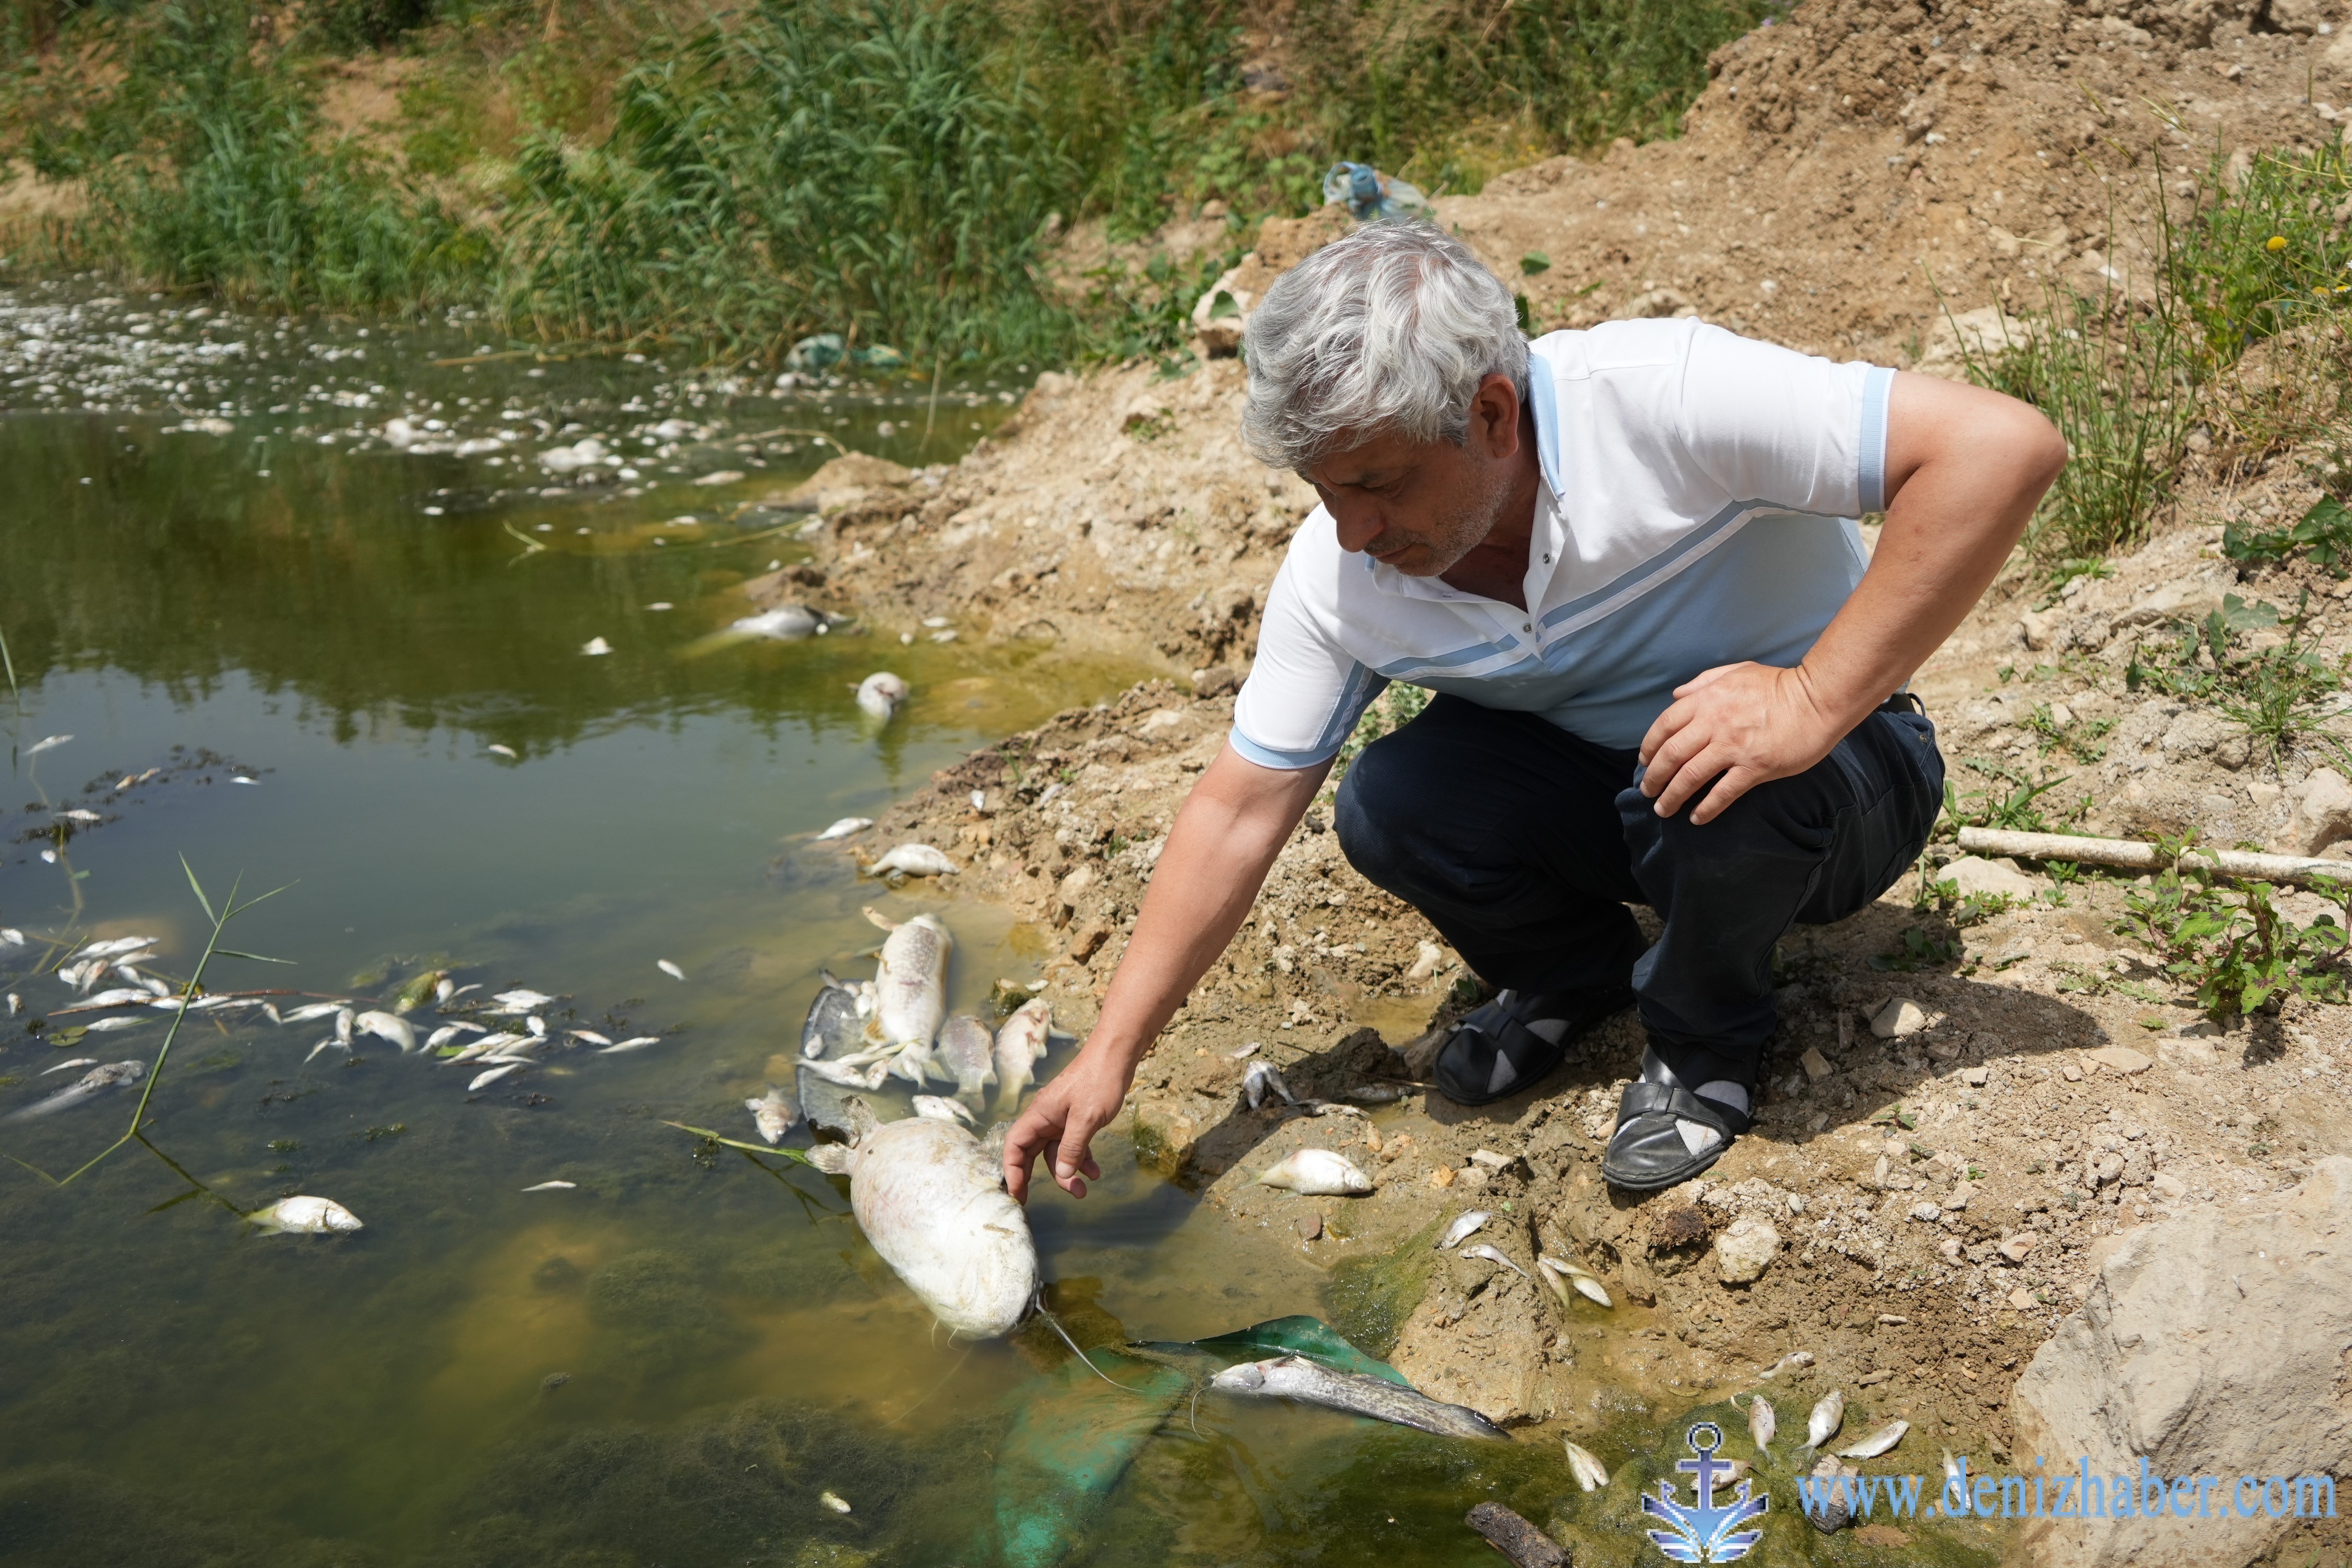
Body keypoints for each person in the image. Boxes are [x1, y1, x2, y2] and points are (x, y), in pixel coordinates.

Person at [1001, 220, 2063, 1202]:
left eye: (1378, 482)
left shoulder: (1663, 398)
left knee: (1720, 785)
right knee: (1390, 799)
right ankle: (1572, 974)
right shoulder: (1341, 578)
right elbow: (1237, 809)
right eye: (1325, 492)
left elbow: (1998, 447)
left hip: (1837, 775)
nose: (1354, 531)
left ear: (1493, 415)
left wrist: (1812, 698)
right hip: (1620, 789)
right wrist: (1110, 1056)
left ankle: (1705, 1048)